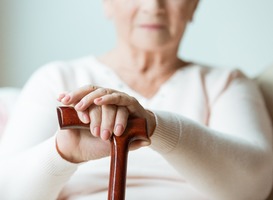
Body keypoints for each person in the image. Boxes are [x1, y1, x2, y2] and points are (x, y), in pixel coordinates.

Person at [0, 0, 272, 199]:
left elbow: (254, 187)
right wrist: (64, 152)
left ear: (194, 6)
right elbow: (8, 192)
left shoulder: (226, 83)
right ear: (108, 4)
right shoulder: (57, 79)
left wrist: (154, 126)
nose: (154, 6)